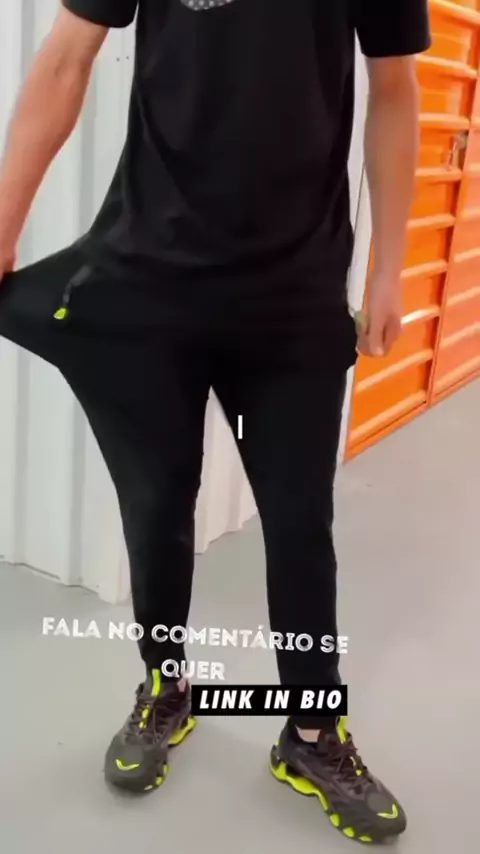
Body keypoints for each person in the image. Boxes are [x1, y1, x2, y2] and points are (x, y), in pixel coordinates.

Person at [0, 0, 430, 842]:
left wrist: (389, 269)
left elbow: (395, 87)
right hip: (149, 281)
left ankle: (312, 733)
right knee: (156, 507)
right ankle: (166, 686)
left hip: (294, 298)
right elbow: (64, 59)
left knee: (300, 523)